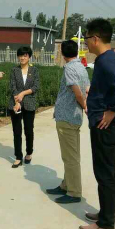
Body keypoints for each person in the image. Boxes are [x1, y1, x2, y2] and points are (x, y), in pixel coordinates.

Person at [79, 18, 115, 229]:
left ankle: (106, 223)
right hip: (107, 124)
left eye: (86, 38)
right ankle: (107, 212)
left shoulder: (106, 61)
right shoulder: (110, 58)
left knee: (105, 172)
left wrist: (112, 111)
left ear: (95, 38)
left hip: (106, 126)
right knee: (109, 171)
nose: (85, 42)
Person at [46, 40, 90, 204]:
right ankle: (66, 185)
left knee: (70, 157)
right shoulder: (81, 67)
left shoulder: (70, 68)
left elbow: (78, 92)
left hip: (67, 116)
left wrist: (85, 106)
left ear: (63, 53)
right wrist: (85, 104)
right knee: (70, 154)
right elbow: (87, 89)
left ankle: (74, 192)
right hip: (74, 117)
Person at [8, 46, 41, 168]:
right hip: (15, 104)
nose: (22, 58)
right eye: (20, 55)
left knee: (29, 130)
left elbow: (36, 86)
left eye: (25, 55)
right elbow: (12, 86)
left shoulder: (34, 70)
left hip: (29, 103)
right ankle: (18, 156)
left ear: (29, 57)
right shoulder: (14, 70)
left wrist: (23, 93)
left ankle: (29, 152)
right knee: (17, 131)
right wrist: (17, 101)